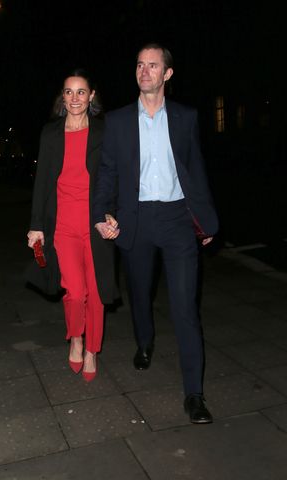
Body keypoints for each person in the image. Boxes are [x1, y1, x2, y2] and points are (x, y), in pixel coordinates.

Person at [93, 43, 218, 423]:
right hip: (136, 221)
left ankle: (194, 395)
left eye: (153, 65)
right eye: (139, 65)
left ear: (167, 74)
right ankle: (144, 341)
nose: (144, 71)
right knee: (140, 291)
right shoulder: (117, 121)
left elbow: (194, 169)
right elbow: (108, 174)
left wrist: (207, 220)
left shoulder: (186, 117)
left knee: (185, 309)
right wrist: (101, 213)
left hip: (178, 220)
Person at [27, 68, 117, 382]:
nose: (75, 98)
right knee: (75, 292)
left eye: (81, 92)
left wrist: (111, 213)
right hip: (62, 224)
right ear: (62, 97)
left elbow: (113, 177)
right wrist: (36, 225)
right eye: (69, 92)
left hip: (94, 225)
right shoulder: (50, 133)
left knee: (96, 290)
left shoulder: (104, 132)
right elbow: (41, 183)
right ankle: (76, 338)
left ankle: (93, 348)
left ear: (91, 95)